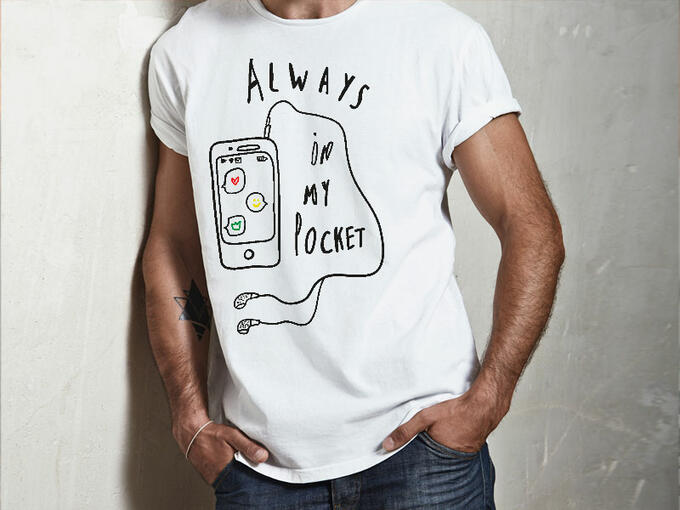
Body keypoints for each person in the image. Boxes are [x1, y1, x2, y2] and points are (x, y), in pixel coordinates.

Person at [142, 0, 565, 508]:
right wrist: (188, 416)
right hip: (258, 470)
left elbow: (531, 226)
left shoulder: (441, 41)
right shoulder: (188, 51)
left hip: (423, 456)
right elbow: (174, 244)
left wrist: (489, 398)